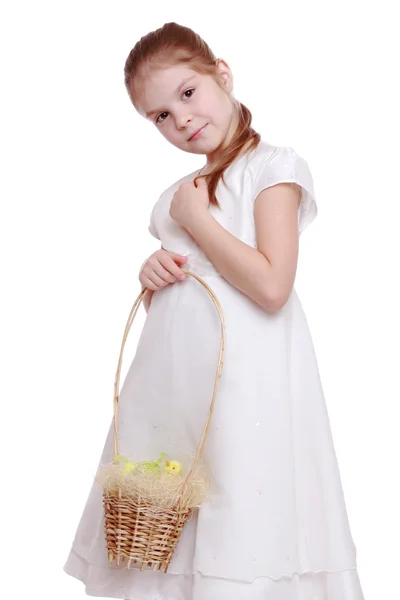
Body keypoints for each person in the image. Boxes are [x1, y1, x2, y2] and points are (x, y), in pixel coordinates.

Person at [64, 21, 365, 600]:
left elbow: (272, 285)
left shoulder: (270, 170)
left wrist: (198, 220)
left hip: (248, 387)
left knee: (242, 498)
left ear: (221, 75)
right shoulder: (175, 198)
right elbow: (186, 298)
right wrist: (154, 278)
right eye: (159, 116)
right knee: (171, 517)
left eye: (187, 93)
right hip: (174, 392)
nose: (180, 119)